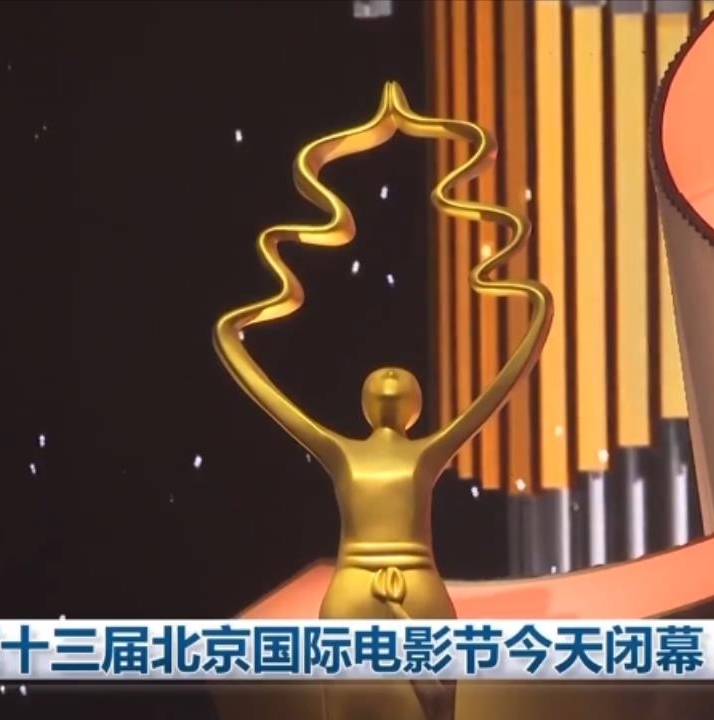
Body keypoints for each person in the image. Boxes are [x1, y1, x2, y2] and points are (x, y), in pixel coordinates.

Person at [212, 81, 552, 720]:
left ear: (415, 405)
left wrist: (537, 307)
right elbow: (258, 382)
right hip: (356, 591)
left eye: (399, 380)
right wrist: (233, 328)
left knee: (438, 706)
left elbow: (502, 385)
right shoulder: (343, 450)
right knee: (346, 704)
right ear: (368, 401)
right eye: (380, 379)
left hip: (415, 587)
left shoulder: (424, 451)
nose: (389, 379)